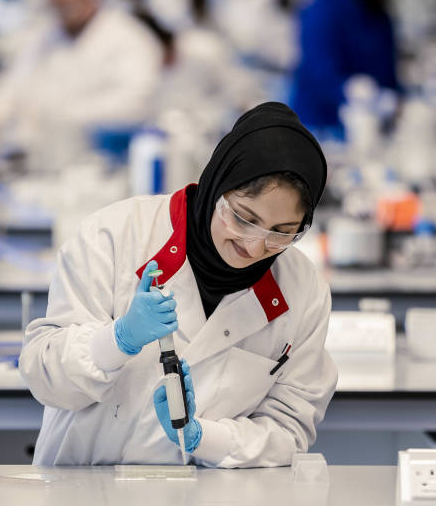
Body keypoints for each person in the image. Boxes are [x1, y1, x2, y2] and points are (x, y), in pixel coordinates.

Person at [20, 102, 337, 467]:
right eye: (243, 218)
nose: (254, 246)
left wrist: (204, 437)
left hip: (205, 505)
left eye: (281, 233)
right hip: (82, 490)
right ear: (217, 183)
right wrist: (117, 340)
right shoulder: (114, 235)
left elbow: (289, 432)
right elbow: (45, 380)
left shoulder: (304, 293)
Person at [0, 0, 162, 169]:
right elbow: (14, 82)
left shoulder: (129, 38)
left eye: (69, 2)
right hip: (45, 161)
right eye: (56, 4)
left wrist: (65, 113)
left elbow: (136, 102)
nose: (62, 12)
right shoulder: (45, 36)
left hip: (104, 164)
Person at [290, 0, 402, 134]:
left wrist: (394, 101)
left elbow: (388, 73)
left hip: (369, 129)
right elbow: (319, 72)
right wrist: (349, 89)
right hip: (321, 125)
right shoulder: (325, 7)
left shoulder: (380, 15)